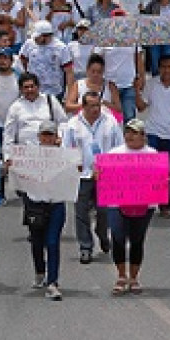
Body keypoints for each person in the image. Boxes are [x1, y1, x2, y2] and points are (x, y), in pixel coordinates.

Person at [62, 91, 121, 263]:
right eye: (92, 106)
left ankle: (103, 235)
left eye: (98, 105)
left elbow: (118, 147)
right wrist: (74, 164)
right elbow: (67, 148)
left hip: (105, 175)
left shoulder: (110, 122)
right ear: (84, 106)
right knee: (81, 212)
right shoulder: (73, 125)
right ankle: (85, 247)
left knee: (104, 212)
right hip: (82, 175)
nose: (96, 109)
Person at [106, 119, 157, 295]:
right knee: (118, 237)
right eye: (127, 132)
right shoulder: (115, 153)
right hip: (117, 202)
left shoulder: (152, 154)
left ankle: (134, 277)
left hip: (144, 204)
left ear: (143, 136)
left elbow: (158, 179)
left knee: (137, 239)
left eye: (134, 132)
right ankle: (121, 275)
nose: (130, 136)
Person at [20, 120, 69, 300]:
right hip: (35, 204)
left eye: (51, 135)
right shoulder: (29, 155)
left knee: (53, 242)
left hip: (55, 204)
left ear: (56, 137)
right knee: (37, 242)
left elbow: (73, 173)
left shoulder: (64, 155)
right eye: (45, 135)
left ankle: (52, 282)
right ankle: (40, 271)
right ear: (39, 137)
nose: (47, 138)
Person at [3, 72, 69, 158]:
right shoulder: (15, 107)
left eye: (32, 86)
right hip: (25, 154)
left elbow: (63, 122)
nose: (30, 90)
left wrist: (59, 137)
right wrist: (8, 156)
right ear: (21, 89)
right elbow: (9, 134)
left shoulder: (50, 100)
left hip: (49, 151)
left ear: (38, 86)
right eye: (26, 87)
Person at [19, 21, 74, 100]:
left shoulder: (61, 48)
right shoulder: (29, 44)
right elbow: (22, 62)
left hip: (55, 92)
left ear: (46, 36)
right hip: (33, 91)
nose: (35, 39)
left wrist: (69, 94)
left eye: (37, 37)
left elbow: (69, 72)